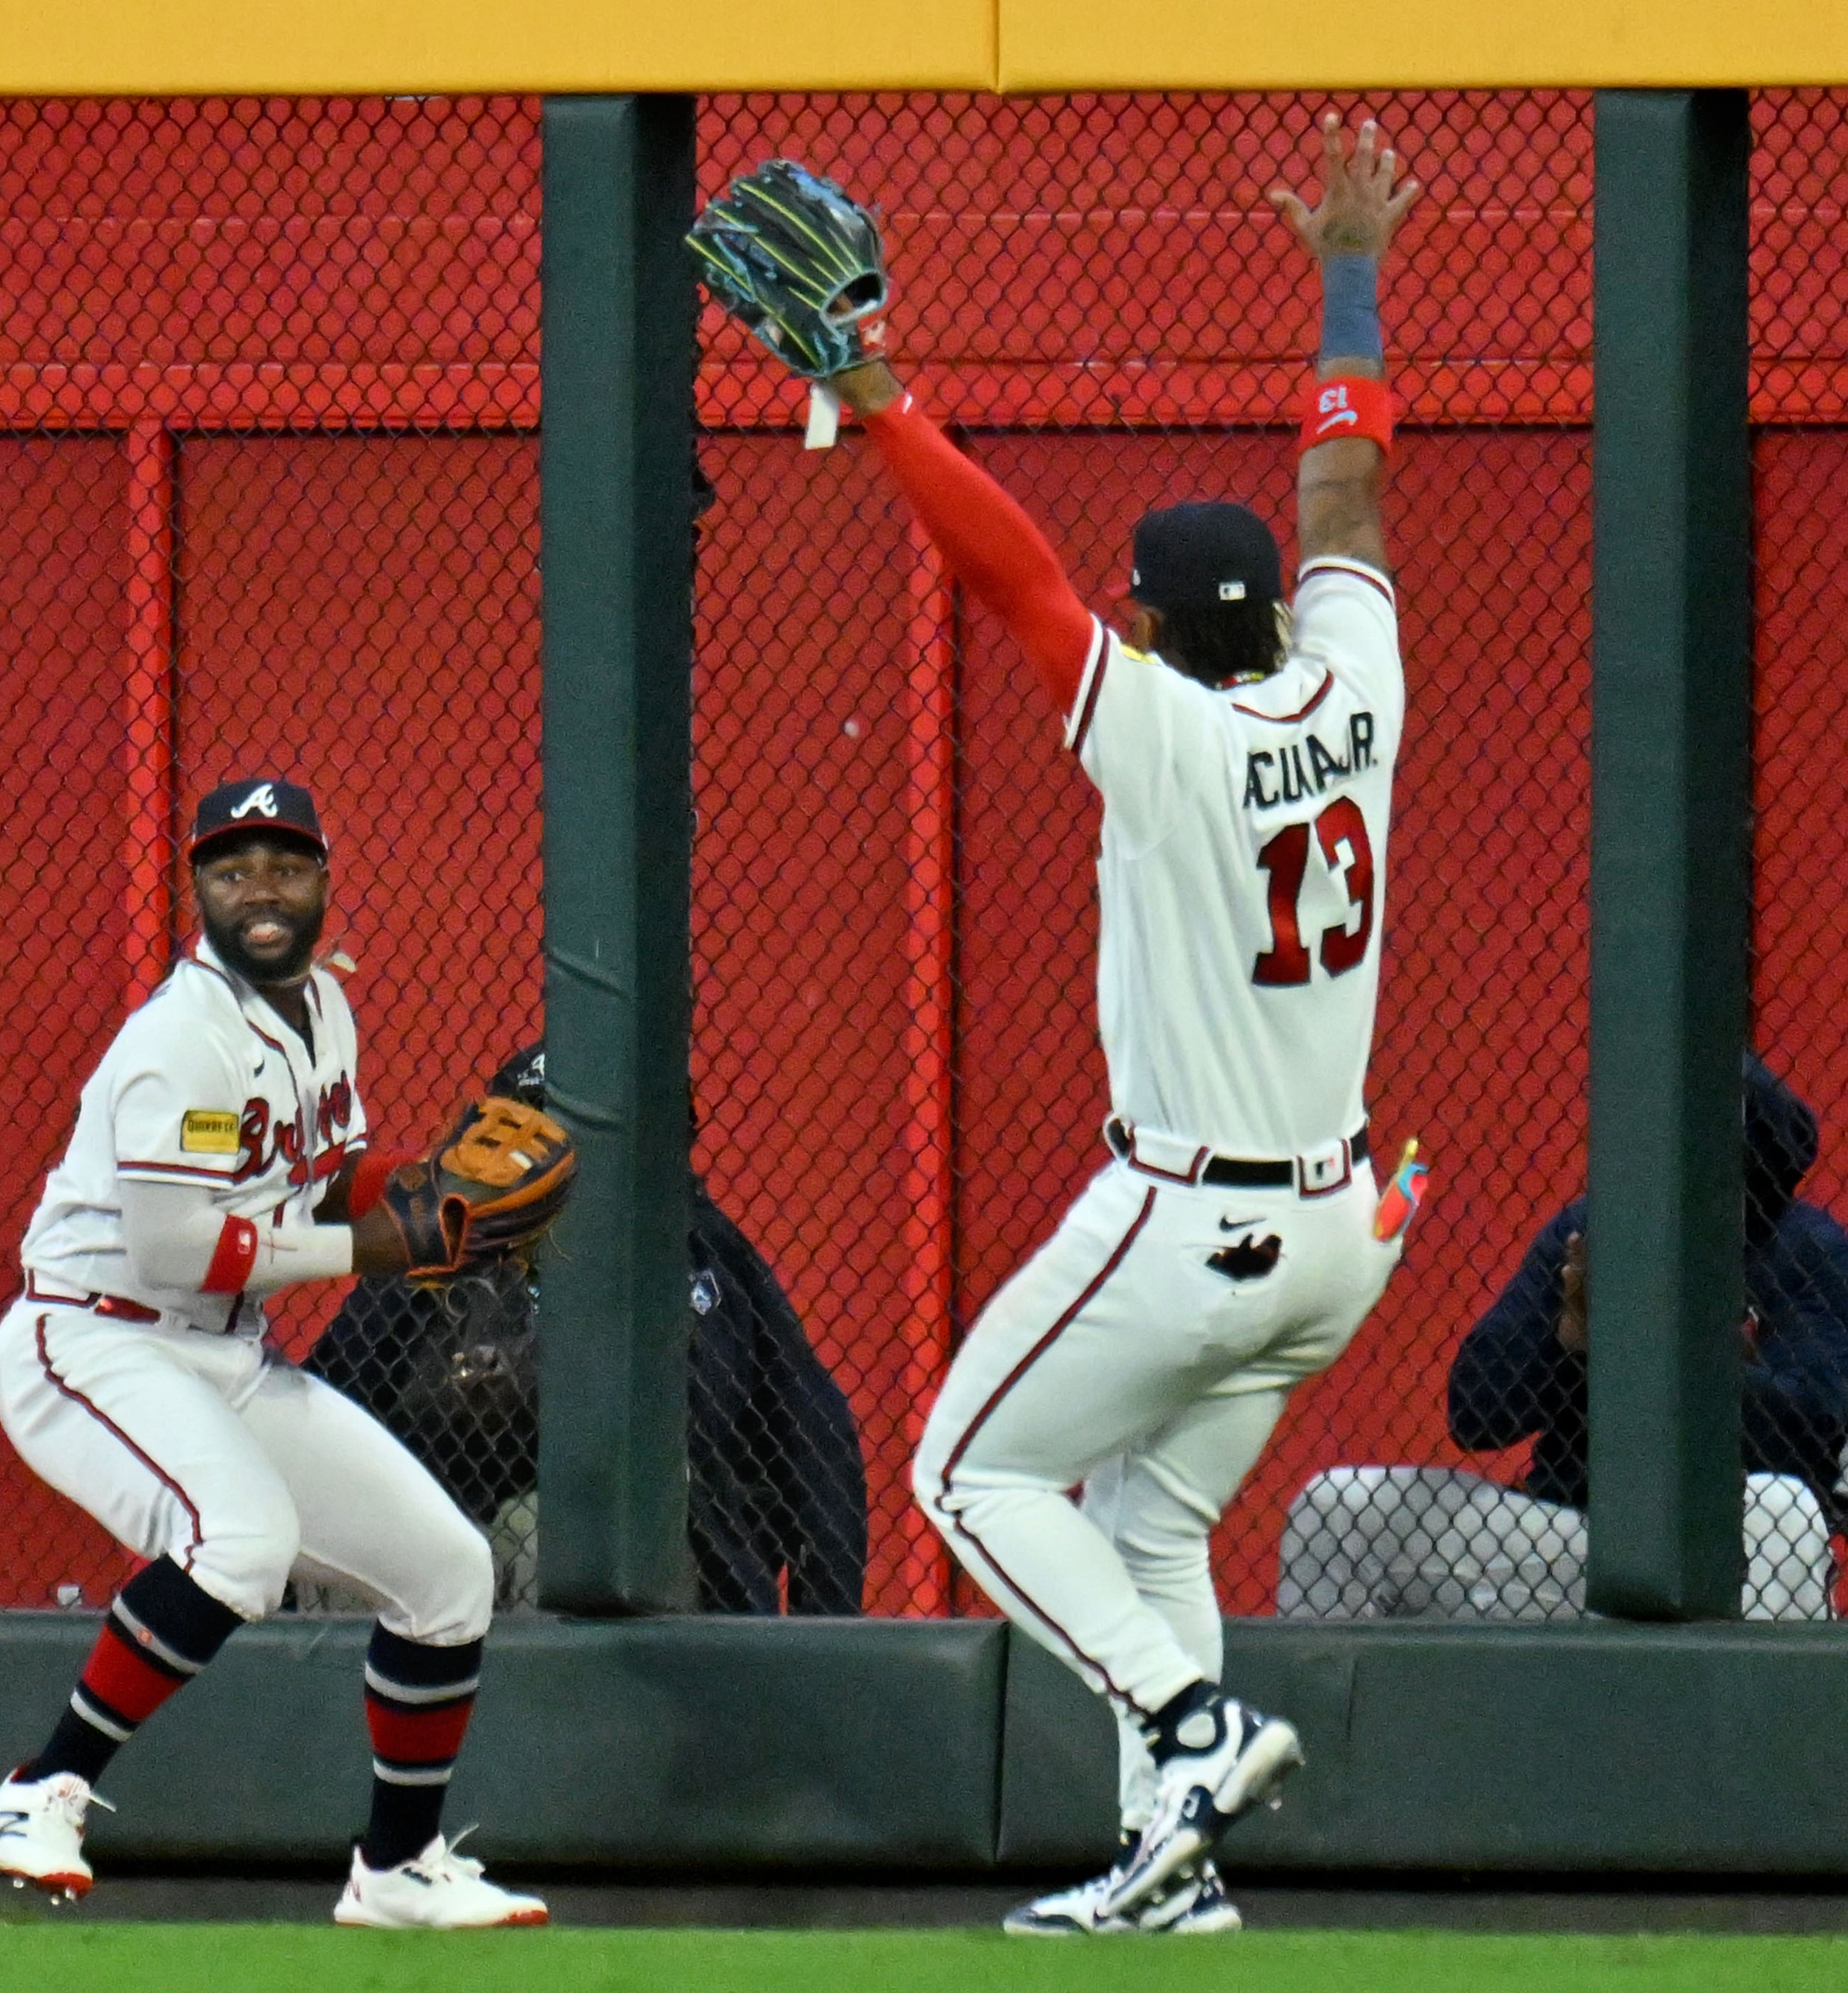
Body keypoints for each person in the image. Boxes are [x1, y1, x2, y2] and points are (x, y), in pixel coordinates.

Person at [700, 113, 1423, 1935]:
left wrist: (871, 387)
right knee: (1150, 1521)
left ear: (1165, 630)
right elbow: (1347, 495)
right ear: (1273, 615)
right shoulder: (1362, 683)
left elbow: (1013, 575)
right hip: (1341, 1235)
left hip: (1194, 1215)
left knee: (966, 1464)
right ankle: (1169, 1876)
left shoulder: (1166, 735)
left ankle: (1189, 1720)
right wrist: (1351, 284)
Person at [0, 777, 547, 1929]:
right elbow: (174, 1243)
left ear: (324, 882)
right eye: (234, 866)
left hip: (222, 1353)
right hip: (92, 1339)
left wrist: (429, 1193)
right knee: (242, 1539)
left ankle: (396, 1870)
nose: (261, 888)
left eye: (286, 865)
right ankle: (39, 1790)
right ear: (196, 885)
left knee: (450, 1574)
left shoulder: (323, 1011)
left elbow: (322, 1176)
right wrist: (369, 1244)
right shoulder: (176, 1039)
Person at [306, 1045, 869, 1615]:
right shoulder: (439, 1247)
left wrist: (828, 1624)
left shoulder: (699, 1249)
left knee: (547, 1538)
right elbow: (329, 1391)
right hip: (450, 1514)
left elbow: (814, 1437)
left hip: (627, 1540)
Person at [1281, 1055, 1848, 1621]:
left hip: (1724, 1535)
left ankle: (1753, 1711)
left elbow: (1817, 1436)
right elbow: (1474, 1415)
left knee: (1787, 1509)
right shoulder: (1588, 1230)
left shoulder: (1802, 1246)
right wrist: (1571, 1345)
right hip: (1572, 1533)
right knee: (1337, 1503)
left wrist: (1686, 1358)